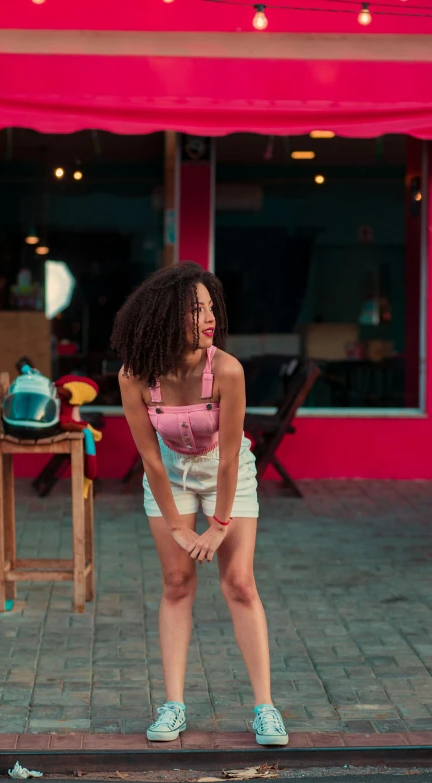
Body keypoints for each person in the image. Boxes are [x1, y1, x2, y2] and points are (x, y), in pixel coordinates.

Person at [111, 262, 288, 747]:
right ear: (167, 316)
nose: (209, 317)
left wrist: (218, 525)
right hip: (171, 474)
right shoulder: (135, 375)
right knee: (175, 582)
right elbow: (149, 458)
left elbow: (230, 457)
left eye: (211, 307)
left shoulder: (226, 369)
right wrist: (178, 528)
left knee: (239, 582)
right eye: (195, 309)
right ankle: (173, 706)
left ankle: (265, 708)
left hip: (227, 475)